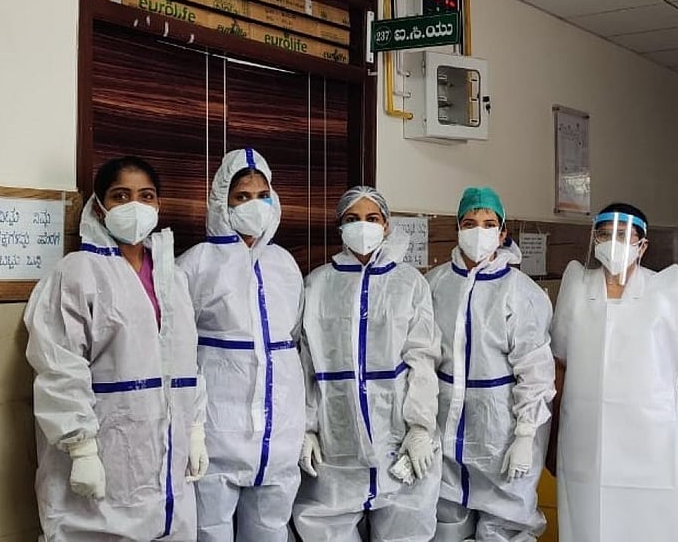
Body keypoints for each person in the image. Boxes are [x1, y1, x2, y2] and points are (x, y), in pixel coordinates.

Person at [24, 156, 208, 542]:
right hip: (101, 448)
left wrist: (194, 428)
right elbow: (59, 365)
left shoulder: (171, 277)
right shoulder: (77, 272)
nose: (135, 205)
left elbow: (186, 360)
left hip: (165, 455)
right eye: (121, 195)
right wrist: (81, 448)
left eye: (146, 195)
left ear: (158, 205)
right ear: (100, 206)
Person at [550, 203, 678, 542]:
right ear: (594, 239)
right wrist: (550, 435)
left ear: (642, 245)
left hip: (656, 444)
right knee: (590, 523)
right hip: (587, 446)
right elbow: (559, 365)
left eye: (625, 236)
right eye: (606, 234)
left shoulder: (665, 292)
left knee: (655, 524)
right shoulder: (577, 291)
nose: (614, 242)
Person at [293, 186, 441, 542]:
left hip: (398, 440)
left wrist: (421, 427)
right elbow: (306, 362)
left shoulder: (409, 283)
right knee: (326, 528)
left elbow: (422, 358)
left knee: (406, 531)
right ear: (339, 228)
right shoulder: (317, 284)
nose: (363, 226)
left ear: (387, 225)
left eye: (372, 218)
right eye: (352, 219)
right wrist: (307, 427)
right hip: (336, 442)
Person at [177, 148, 305, 542]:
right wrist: (194, 428)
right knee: (210, 532)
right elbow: (179, 354)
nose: (254, 204)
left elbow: (296, 345)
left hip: (280, 437)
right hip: (217, 437)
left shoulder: (284, 265)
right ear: (222, 201)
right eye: (241, 196)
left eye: (262, 195)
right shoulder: (196, 264)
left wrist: (304, 429)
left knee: (271, 531)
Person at [426, 187, 555, 542]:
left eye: (488, 224)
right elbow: (419, 358)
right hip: (443, 432)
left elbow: (535, 370)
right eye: (469, 223)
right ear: (457, 228)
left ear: (502, 233)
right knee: (445, 524)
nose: (478, 232)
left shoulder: (520, 292)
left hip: (500, 432)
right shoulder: (435, 284)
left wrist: (525, 435)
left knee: (505, 527)